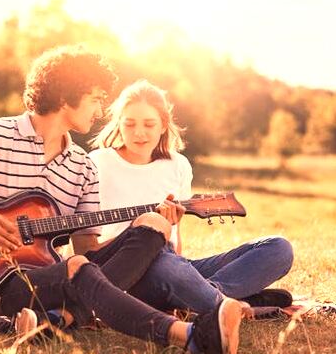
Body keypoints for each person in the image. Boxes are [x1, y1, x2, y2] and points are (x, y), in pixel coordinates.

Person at [0, 46, 244, 354]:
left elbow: (89, 250)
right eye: (93, 97)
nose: (100, 108)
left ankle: (56, 319)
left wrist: (140, 232)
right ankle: (189, 337)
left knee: (153, 226)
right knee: (77, 267)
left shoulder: (82, 167)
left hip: (45, 277)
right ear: (65, 97)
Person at [88, 79, 294, 316]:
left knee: (278, 248)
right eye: (130, 123)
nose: (139, 132)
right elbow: (88, 248)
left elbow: (177, 237)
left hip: (171, 264)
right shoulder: (98, 162)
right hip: (129, 271)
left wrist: (178, 263)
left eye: (149, 124)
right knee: (165, 266)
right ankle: (227, 303)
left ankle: (207, 297)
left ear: (163, 125)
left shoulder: (177, 165)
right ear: (119, 124)